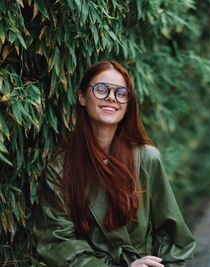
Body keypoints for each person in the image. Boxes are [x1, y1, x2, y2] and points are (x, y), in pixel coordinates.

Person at [33, 60, 196, 267]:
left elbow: (172, 233)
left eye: (121, 93)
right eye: (101, 89)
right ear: (82, 97)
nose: (111, 97)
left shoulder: (147, 158)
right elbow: (58, 242)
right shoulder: (61, 169)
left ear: (128, 105)